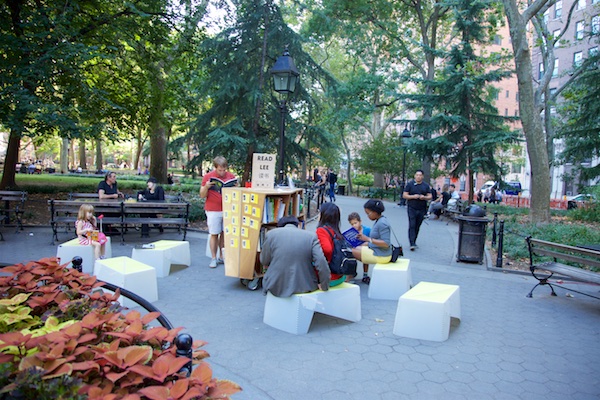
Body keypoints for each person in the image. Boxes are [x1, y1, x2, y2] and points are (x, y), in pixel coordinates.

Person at [261, 215, 330, 297]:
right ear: (298, 225)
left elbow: (264, 260)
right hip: (304, 286)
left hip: (276, 285)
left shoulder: (271, 235)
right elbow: (321, 261)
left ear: (279, 227)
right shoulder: (311, 237)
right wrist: (324, 285)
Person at [200, 156, 237, 268]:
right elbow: (202, 195)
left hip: (227, 208)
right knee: (214, 233)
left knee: (225, 233)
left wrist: (236, 187)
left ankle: (222, 256)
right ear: (215, 167)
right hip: (213, 209)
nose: (222, 172)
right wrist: (206, 186)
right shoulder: (208, 177)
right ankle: (213, 258)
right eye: (220, 170)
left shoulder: (231, 176)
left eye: (224, 170)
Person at [351, 199, 392, 284]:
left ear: (375, 212)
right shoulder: (380, 220)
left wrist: (368, 239)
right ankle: (354, 274)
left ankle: (350, 276)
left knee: (351, 252)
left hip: (382, 255)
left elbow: (386, 243)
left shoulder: (382, 223)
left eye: (368, 213)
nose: (367, 216)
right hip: (378, 251)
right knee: (354, 248)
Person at [316, 203, 349, 287]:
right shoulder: (336, 231)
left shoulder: (321, 230)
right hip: (339, 275)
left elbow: (327, 249)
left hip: (329, 276)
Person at [403, 170, 432, 251]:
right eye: (417, 175)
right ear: (414, 176)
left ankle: (414, 241)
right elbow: (405, 195)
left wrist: (424, 197)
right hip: (411, 207)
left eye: (420, 175)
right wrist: (413, 196)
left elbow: (430, 196)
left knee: (417, 226)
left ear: (422, 176)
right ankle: (411, 243)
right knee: (412, 224)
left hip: (422, 208)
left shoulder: (425, 185)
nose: (418, 177)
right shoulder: (410, 184)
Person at [348, 211, 371, 283]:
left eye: (355, 223)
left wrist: (364, 244)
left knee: (365, 255)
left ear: (360, 222)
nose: (354, 225)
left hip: (365, 249)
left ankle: (365, 274)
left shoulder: (367, 230)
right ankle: (352, 272)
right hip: (355, 249)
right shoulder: (352, 232)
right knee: (350, 253)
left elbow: (371, 240)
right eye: (352, 224)